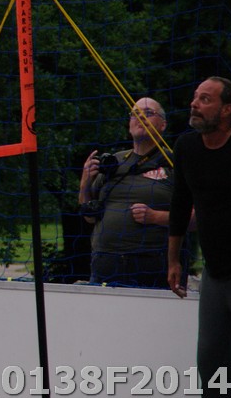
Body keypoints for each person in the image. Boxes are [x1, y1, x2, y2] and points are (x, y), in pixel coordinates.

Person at [168, 76, 231, 398]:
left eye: (205, 99)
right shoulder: (186, 147)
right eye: (195, 96)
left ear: (227, 110)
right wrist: (173, 259)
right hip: (215, 273)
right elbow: (180, 204)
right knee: (211, 372)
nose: (194, 103)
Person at [76, 97, 182, 288]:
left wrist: (155, 217)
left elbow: (198, 217)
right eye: (135, 114)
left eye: (148, 113)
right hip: (105, 262)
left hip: (153, 263)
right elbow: (89, 216)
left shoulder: (175, 163)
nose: (140, 118)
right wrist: (85, 182)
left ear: (163, 124)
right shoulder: (113, 162)